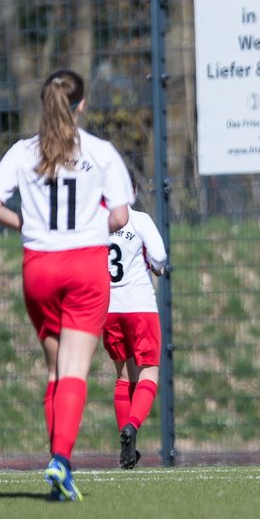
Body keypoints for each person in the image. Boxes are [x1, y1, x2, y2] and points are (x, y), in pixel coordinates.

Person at [0, 69, 134, 500]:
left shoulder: (22, 151)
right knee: (74, 371)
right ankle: (61, 460)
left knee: (54, 370)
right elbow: (121, 217)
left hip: (39, 268)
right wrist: (94, 222)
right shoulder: (100, 151)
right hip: (85, 268)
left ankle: (59, 472)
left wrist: (23, 223)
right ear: (82, 105)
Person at [103, 181, 167, 469]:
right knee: (149, 373)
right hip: (140, 307)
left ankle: (127, 448)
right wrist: (157, 267)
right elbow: (160, 256)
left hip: (109, 309)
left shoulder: (95, 225)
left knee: (123, 376)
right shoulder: (140, 220)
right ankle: (131, 426)